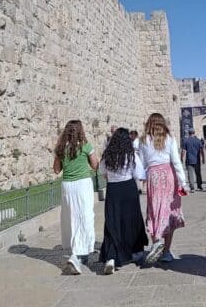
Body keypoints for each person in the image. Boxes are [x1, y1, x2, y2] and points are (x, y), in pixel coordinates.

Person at [140, 113, 190, 264]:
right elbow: (176, 162)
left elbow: (142, 164)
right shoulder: (170, 139)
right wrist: (183, 182)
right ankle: (166, 251)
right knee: (169, 212)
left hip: (153, 177)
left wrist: (142, 180)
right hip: (169, 176)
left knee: (154, 210)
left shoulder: (143, 140)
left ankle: (156, 242)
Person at [100, 128, 149, 274]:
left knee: (112, 221)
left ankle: (111, 257)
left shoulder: (107, 155)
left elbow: (103, 172)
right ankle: (134, 251)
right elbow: (139, 174)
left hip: (113, 190)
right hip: (128, 188)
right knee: (131, 220)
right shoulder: (131, 155)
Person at [53, 120, 99, 275]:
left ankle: (80, 252)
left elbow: (56, 169)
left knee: (71, 218)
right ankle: (77, 256)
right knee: (85, 217)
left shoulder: (61, 148)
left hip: (67, 185)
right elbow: (95, 165)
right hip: (82, 185)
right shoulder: (85, 146)